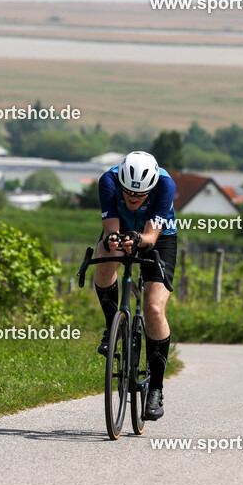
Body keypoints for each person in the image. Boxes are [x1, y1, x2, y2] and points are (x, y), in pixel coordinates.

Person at [93, 150, 176, 420]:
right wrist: (113, 240)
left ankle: (156, 389)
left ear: (150, 187)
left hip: (157, 239)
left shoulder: (165, 185)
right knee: (105, 256)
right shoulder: (108, 180)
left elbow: (151, 237)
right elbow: (110, 229)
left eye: (139, 195)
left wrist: (138, 239)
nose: (132, 198)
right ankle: (112, 327)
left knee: (153, 308)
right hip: (121, 231)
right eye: (128, 193)